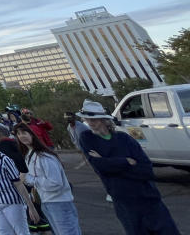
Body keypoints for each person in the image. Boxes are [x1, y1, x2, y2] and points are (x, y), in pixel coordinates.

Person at [76, 99, 178, 235]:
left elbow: (146, 169)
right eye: (87, 119)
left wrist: (110, 163)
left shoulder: (124, 139)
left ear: (103, 119)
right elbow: (100, 167)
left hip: (148, 196)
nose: (90, 123)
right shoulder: (87, 138)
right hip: (124, 201)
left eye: (93, 119)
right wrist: (126, 162)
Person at [13, 123, 81, 235]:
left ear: (32, 134)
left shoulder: (45, 157)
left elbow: (56, 183)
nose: (21, 136)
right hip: (46, 202)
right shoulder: (29, 155)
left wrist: (29, 179)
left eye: (24, 132)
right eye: (18, 134)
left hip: (59, 203)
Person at [0, 129, 39, 235]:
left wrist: (31, 207)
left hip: (12, 202)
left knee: (22, 232)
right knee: (4, 232)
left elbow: (18, 183)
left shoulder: (4, 160)